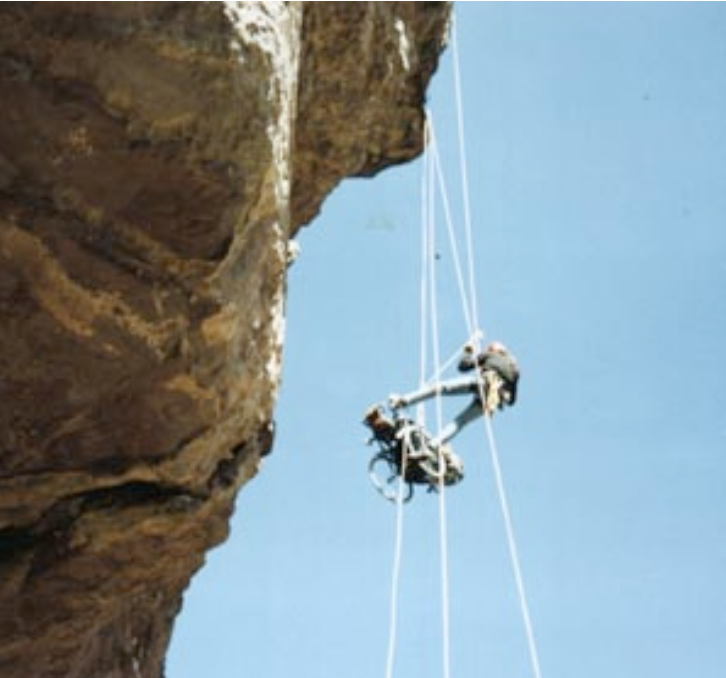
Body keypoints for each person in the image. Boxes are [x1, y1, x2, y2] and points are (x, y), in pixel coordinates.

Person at [388, 340, 519, 447]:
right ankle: (434, 445)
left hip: (483, 383)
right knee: (460, 422)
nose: (489, 349)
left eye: (490, 348)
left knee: (440, 388)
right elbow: (512, 400)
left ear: (494, 350)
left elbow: (463, 366)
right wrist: (501, 394)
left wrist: (468, 352)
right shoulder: (514, 370)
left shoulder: (489, 355)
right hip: (493, 400)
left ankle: (403, 401)